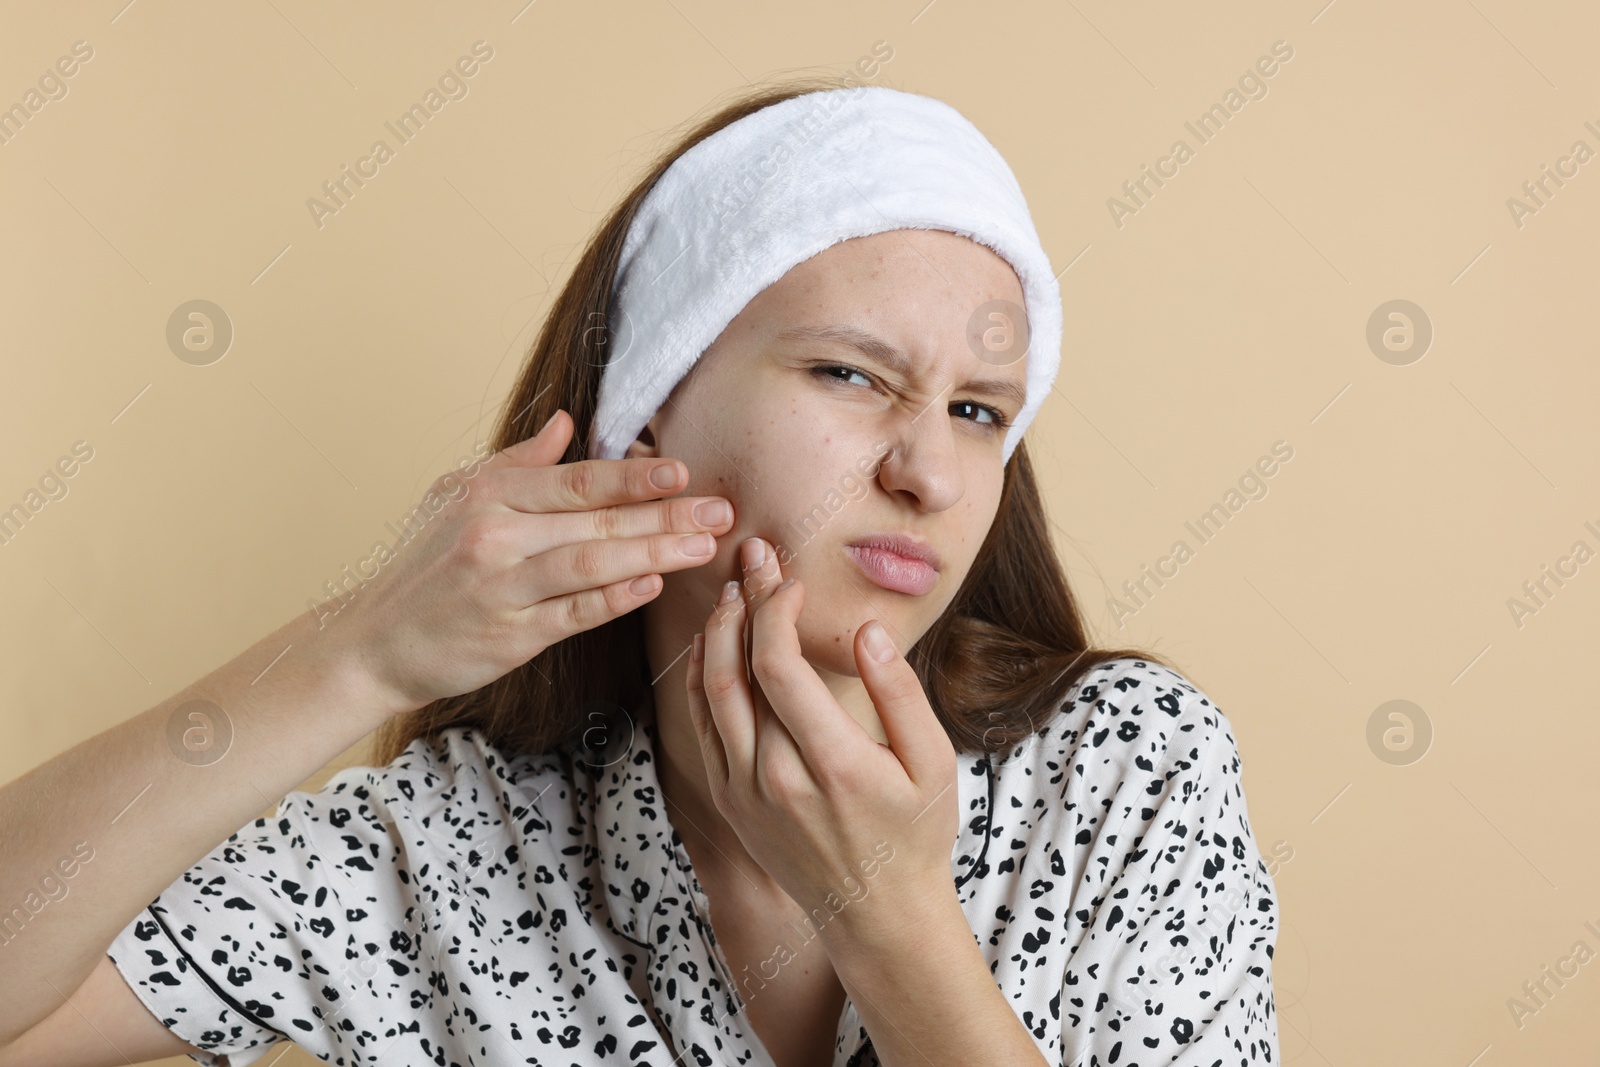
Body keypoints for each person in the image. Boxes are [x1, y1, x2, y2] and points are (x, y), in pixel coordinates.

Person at [0, 76, 1279, 1067]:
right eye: (850, 373)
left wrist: (889, 916)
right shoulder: (445, 852)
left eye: (980, 411)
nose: (929, 476)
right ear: (648, 410)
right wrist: (358, 648)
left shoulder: (1125, 772)